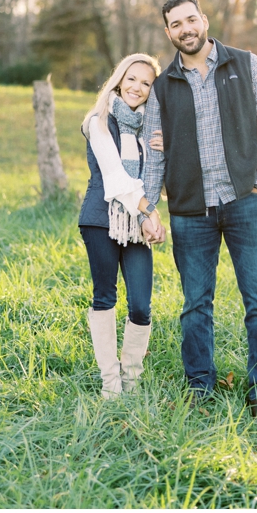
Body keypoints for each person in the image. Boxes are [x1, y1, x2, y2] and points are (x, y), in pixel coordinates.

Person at [141, 0, 257, 416]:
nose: (185, 29)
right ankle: (200, 390)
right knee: (194, 307)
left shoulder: (245, 64)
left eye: (191, 19)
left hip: (246, 205)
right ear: (168, 33)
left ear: (204, 20)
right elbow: (155, 155)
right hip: (191, 212)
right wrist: (149, 207)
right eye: (176, 24)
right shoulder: (163, 87)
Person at [77, 53, 166, 398]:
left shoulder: (149, 131)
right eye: (132, 79)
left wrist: (165, 151)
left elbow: (158, 183)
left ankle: (132, 379)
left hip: (136, 227)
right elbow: (114, 178)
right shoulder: (97, 121)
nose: (137, 87)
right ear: (119, 80)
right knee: (105, 298)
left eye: (146, 83)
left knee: (141, 305)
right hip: (101, 220)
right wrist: (149, 213)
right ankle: (111, 386)